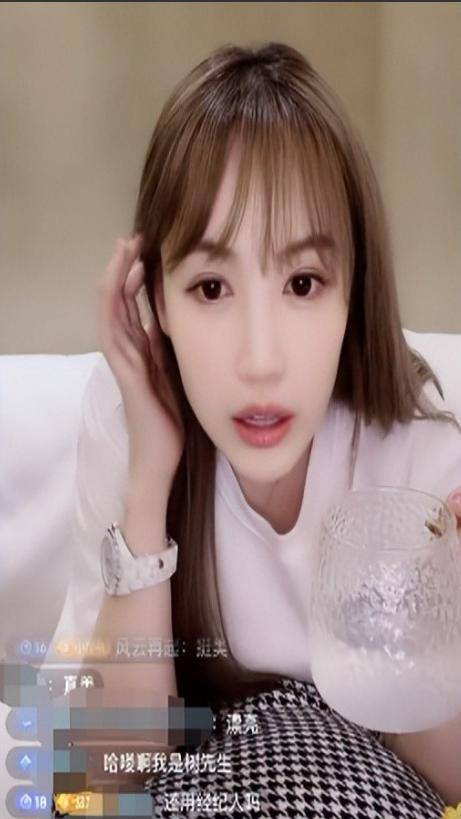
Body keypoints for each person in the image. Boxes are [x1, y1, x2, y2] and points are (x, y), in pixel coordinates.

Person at [57, 42, 461, 817]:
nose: (261, 359)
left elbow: (451, 783)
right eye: (211, 287)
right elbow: (101, 773)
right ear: (158, 300)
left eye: (302, 282)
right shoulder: (123, 421)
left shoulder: (418, 461)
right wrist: (150, 479)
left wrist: (428, 633)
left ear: (353, 292)